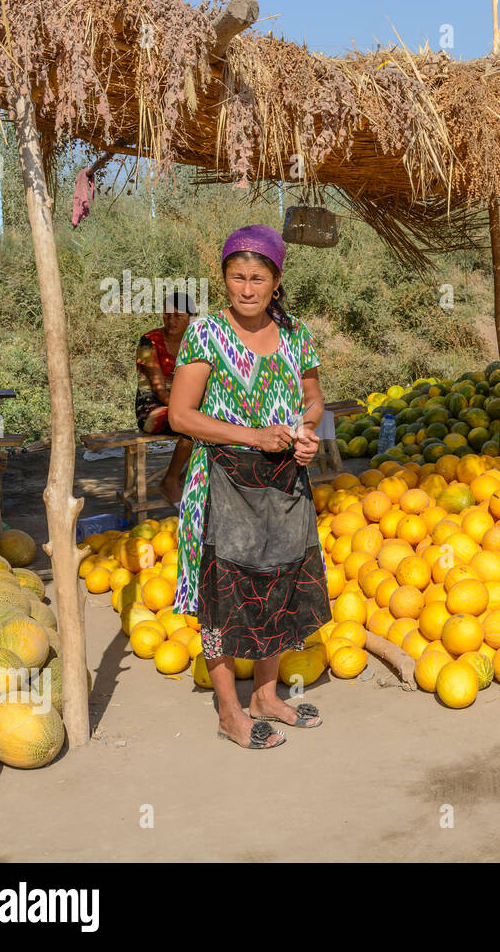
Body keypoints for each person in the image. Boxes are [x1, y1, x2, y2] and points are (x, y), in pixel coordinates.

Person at [168, 225, 331, 750]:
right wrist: (252, 436)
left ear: (276, 281)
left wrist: (306, 434)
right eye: (236, 276)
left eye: (258, 278)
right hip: (220, 482)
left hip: (283, 483)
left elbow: (314, 402)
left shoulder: (296, 334)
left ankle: (265, 694)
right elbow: (180, 416)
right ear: (224, 278)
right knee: (222, 595)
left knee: (278, 583)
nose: (246, 288)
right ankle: (228, 710)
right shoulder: (206, 334)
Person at [135, 290, 196, 505]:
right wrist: (191, 411)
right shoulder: (149, 342)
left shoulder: (196, 342)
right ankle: (169, 481)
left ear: (191, 318)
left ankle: (182, 478)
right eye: (167, 315)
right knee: (195, 426)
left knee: (219, 424)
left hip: (184, 408)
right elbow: (160, 391)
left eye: (178, 316)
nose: (171, 321)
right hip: (152, 410)